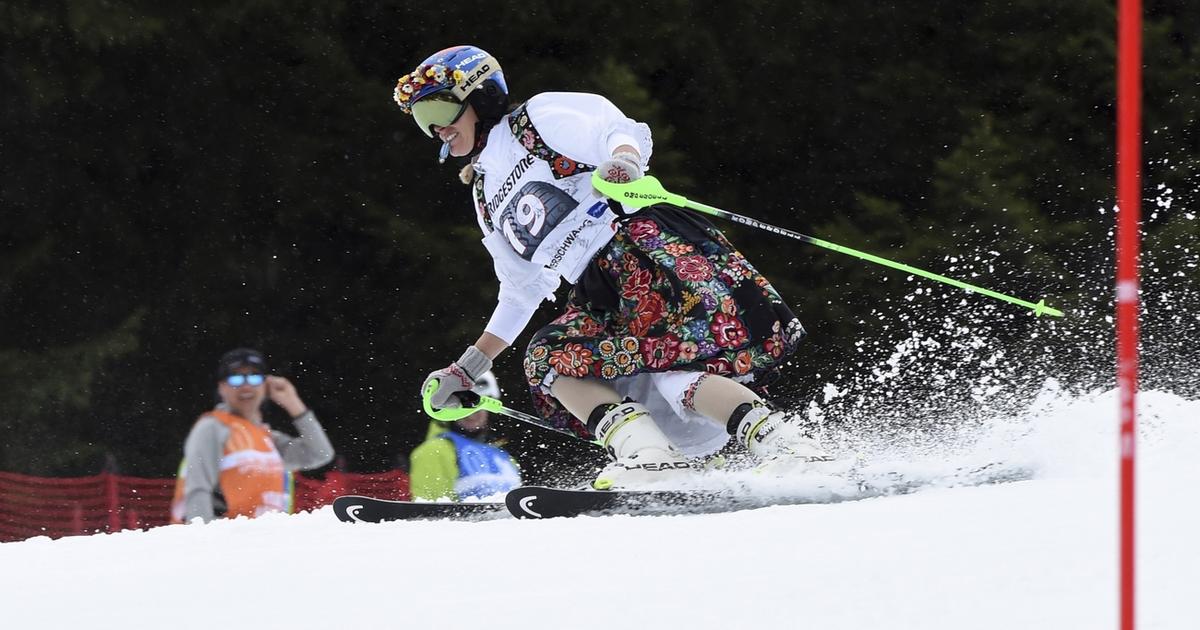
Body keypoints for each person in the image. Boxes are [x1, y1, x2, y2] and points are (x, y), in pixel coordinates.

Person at [398, 45, 831, 490]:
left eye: (437, 107)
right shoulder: (485, 194)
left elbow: (612, 128)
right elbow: (521, 288)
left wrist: (623, 162)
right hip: (595, 285)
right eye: (421, 119)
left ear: (481, 96)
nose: (435, 128)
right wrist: (468, 367)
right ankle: (649, 455)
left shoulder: (534, 122)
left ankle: (787, 446)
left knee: (673, 366)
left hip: (639, 247)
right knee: (553, 357)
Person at [171, 348, 335, 523]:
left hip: (260, 542)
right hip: (225, 542)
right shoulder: (213, 427)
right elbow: (197, 489)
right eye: (236, 378)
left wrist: (293, 403)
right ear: (222, 387)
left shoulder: (267, 438)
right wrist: (202, 540)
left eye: (254, 377)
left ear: (265, 385)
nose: (246, 386)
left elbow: (320, 454)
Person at [409, 370, 521, 501]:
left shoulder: (503, 456)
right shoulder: (435, 450)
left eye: (477, 408)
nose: (471, 414)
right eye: (463, 408)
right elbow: (431, 509)